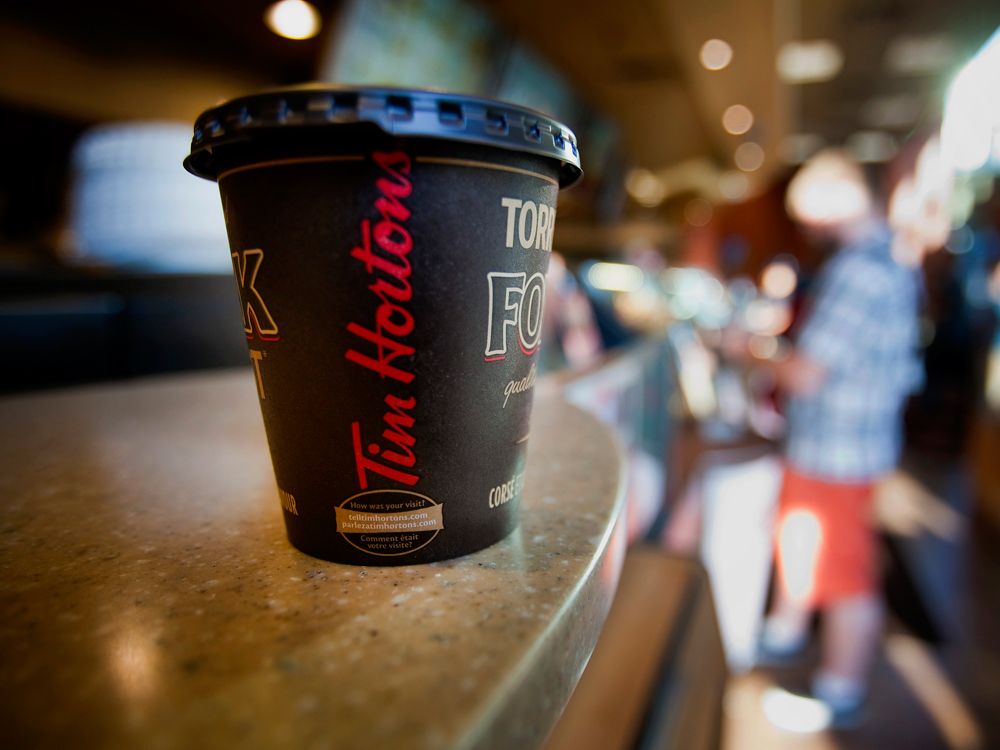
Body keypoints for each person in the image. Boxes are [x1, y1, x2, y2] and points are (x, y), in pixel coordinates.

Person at [757, 149, 925, 727]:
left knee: (846, 573)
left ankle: (841, 692)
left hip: (839, 450)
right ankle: (789, 639)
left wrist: (752, 351)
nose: (808, 227)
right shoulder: (889, 260)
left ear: (839, 196)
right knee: (814, 550)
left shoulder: (861, 268)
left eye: (810, 214)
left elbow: (806, 371)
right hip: (852, 444)